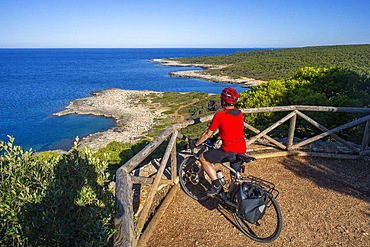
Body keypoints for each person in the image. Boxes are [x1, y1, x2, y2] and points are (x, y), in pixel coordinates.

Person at [189, 87, 246, 197]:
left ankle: (216, 184)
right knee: (234, 176)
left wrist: (195, 144)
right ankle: (233, 199)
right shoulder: (239, 113)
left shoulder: (220, 115)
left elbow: (207, 134)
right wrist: (216, 137)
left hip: (228, 150)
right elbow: (228, 128)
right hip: (242, 148)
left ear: (224, 101)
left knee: (203, 157)